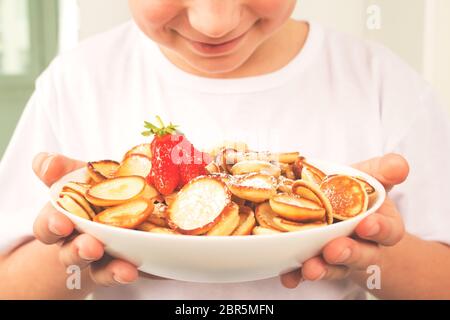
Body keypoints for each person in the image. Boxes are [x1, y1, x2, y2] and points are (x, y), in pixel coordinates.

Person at [0, 0, 449, 300]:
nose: (213, 23)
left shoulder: (381, 84)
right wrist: (77, 243)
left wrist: (369, 251)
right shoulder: (77, 82)